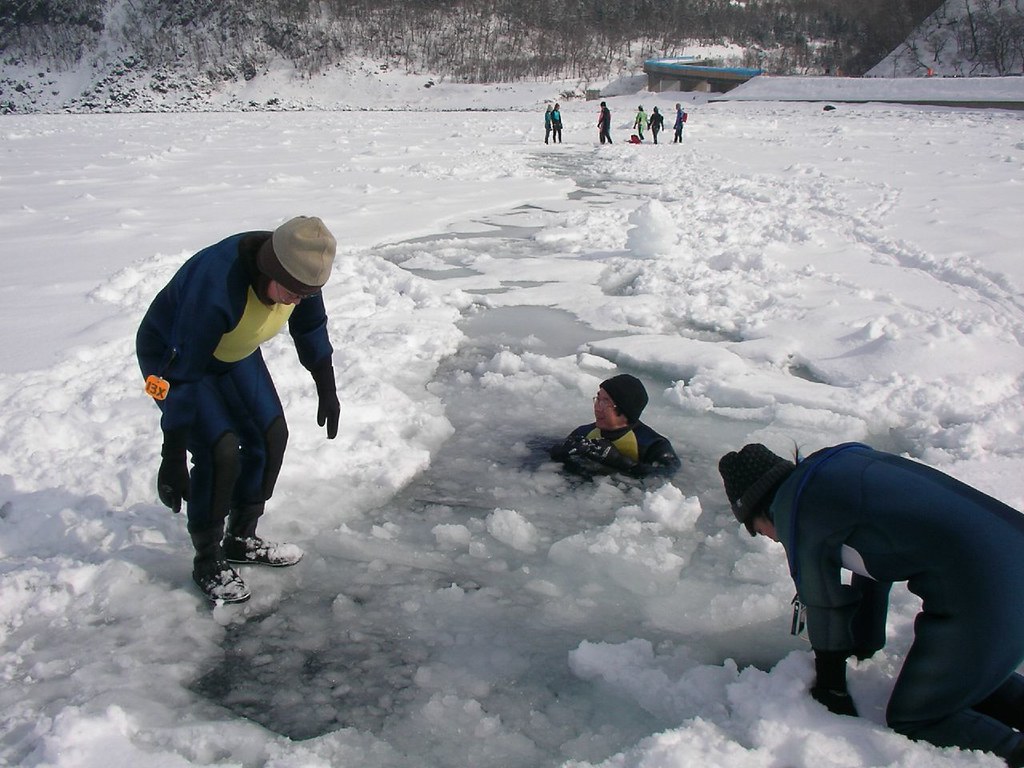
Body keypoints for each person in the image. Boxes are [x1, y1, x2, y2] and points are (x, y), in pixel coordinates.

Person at [718, 442, 1024, 767]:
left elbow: (822, 601)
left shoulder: (797, 509)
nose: (766, 537)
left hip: (987, 587)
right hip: (1010, 553)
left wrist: (831, 685)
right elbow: (875, 561)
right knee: (960, 680)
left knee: (918, 716)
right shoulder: (837, 466)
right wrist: (864, 641)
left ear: (757, 508)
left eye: (754, 529)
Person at [137, 216, 342, 604]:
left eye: (306, 294)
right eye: (292, 292)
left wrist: (326, 387)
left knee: (270, 435)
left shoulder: (300, 272)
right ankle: (208, 560)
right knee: (219, 450)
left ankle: (241, 538)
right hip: (175, 359)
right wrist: (173, 455)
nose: (297, 301)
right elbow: (182, 377)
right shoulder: (217, 286)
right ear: (269, 269)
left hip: (233, 350)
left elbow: (311, 329)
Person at [550, 374, 680, 478]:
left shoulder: (653, 445)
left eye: (606, 402)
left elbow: (667, 475)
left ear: (625, 409)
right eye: (598, 399)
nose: (597, 407)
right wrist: (561, 451)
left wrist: (619, 461)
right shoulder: (584, 433)